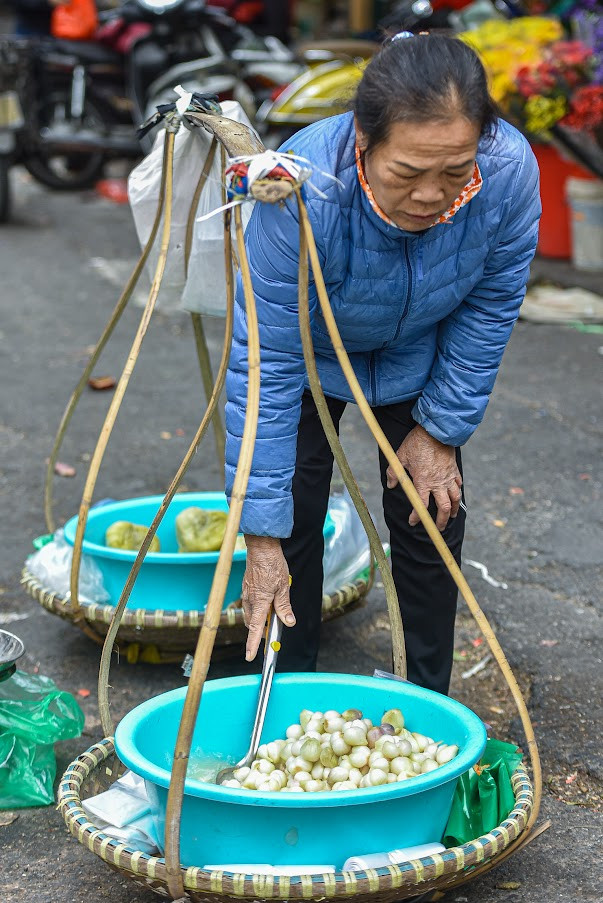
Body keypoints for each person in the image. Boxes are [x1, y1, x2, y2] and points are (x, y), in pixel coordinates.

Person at [225, 32, 541, 695]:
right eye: (408, 172)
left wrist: (440, 429)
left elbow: (490, 304)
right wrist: (259, 536)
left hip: (418, 345)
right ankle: (282, 699)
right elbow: (267, 361)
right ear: (363, 139)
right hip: (308, 351)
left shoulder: (508, 172)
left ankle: (426, 703)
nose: (430, 194)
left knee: (431, 513)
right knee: (288, 518)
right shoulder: (299, 188)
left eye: (453, 172)